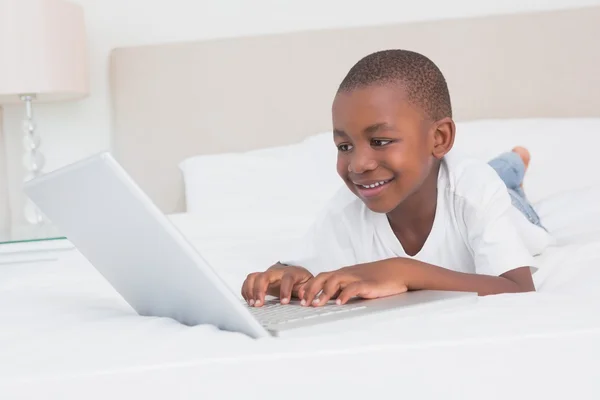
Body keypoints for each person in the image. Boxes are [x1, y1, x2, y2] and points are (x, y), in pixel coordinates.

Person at [241, 49, 551, 308]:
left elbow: (518, 288)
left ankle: (513, 164)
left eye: (380, 141)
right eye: (344, 146)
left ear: (439, 138)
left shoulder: (473, 190)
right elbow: (301, 264)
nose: (358, 165)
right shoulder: (349, 207)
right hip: (449, 176)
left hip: (505, 203)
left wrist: (403, 270)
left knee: (504, 184)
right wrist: (283, 276)